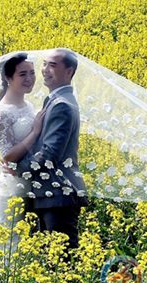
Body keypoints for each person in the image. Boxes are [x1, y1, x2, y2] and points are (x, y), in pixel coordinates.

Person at [17, 48, 88, 249]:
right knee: (52, 259)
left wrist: (19, 168)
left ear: (69, 72)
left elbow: (50, 154)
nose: (45, 70)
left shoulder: (62, 105)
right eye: (44, 64)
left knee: (61, 260)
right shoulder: (56, 101)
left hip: (58, 196)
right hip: (50, 195)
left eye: (53, 65)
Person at [0, 52, 45, 253]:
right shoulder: (2, 112)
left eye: (32, 73)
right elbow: (8, 156)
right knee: (10, 238)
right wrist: (36, 132)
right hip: (13, 187)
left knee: (30, 239)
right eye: (22, 74)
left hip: (30, 181)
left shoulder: (27, 105)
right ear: (8, 78)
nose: (30, 79)